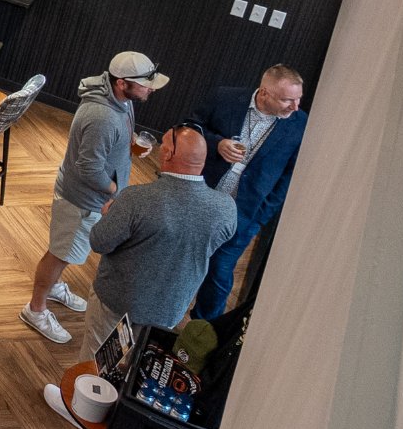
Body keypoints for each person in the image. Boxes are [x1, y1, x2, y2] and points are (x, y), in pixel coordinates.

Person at [23, 51, 167, 344]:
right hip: (81, 201)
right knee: (60, 253)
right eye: (145, 84)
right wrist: (117, 192)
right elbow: (88, 168)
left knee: (66, 252)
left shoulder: (120, 101)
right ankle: (35, 308)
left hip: (90, 197)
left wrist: (131, 141)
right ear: (122, 83)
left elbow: (110, 143)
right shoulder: (102, 117)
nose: (151, 88)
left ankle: (54, 287)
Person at [84, 125, 235, 351]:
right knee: (135, 369)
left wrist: (109, 215)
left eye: (162, 144)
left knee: (92, 367)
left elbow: (99, 242)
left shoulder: (135, 199)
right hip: (169, 311)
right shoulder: (227, 209)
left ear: (168, 154)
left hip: (116, 302)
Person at [192, 65, 309, 321]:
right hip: (198, 198)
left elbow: (289, 175)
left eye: (298, 98)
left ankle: (200, 334)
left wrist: (260, 217)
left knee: (219, 273)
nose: (295, 106)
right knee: (179, 256)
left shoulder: (301, 125)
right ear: (265, 93)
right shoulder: (224, 97)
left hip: (244, 214)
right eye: (288, 99)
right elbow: (191, 127)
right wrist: (216, 144)